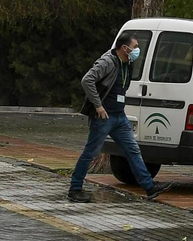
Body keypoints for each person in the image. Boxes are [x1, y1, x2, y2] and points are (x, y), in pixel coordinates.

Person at [68, 31, 173, 203]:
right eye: (135, 47)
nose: (138, 50)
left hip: (119, 116)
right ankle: (75, 188)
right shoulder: (107, 62)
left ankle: (149, 187)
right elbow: (87, 80)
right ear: (125, 48)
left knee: (133, 150)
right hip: (104, 117)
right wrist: (98, 105)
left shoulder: (126, 64)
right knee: (91, 152)